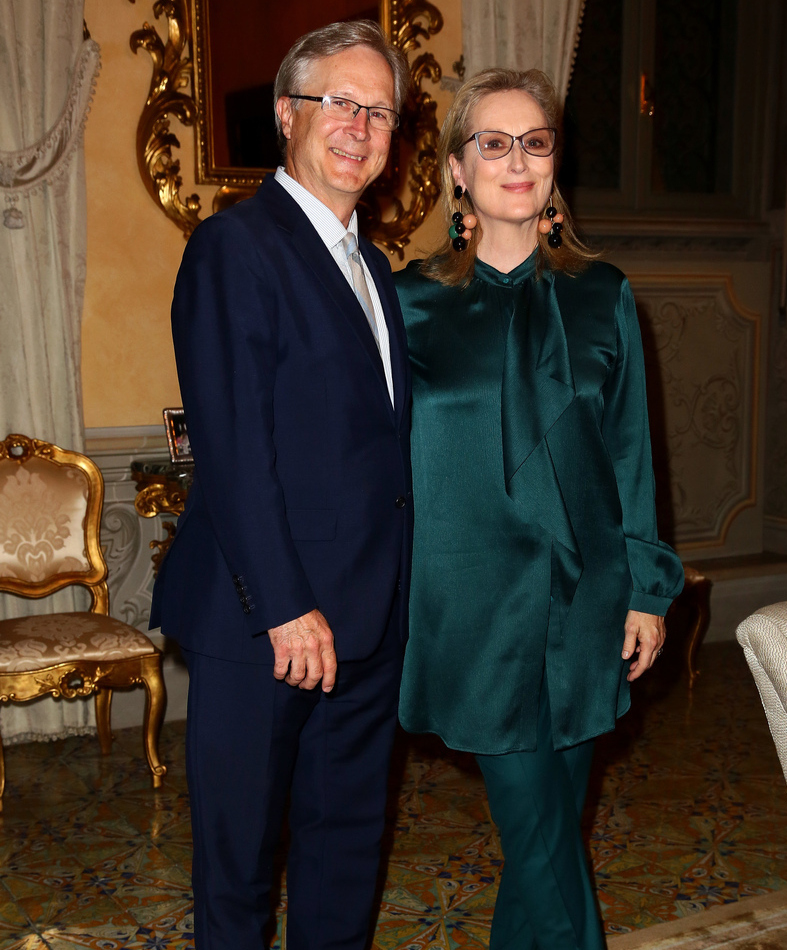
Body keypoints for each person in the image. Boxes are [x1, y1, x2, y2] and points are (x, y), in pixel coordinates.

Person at [395, 67, 685, 950]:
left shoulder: (605, 295)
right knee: (542, 836)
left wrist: (646, 587)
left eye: (536, 142)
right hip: (470, 601)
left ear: (555, 165)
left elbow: (633, 452)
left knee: (543, 843)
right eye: (493, 142)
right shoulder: (408, 303)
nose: (516, 161)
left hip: (585, 596)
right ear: (456, 168)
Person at [149, 21, 412, 950]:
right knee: (240, 871)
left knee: (346, 853)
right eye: (340, 102)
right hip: (263, 624)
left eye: (378, 111)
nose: (359, 126)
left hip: (367, 625)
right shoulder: (236, 247)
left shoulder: (376, 269)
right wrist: (286, 607)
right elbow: (231, 449)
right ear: (286, 114)